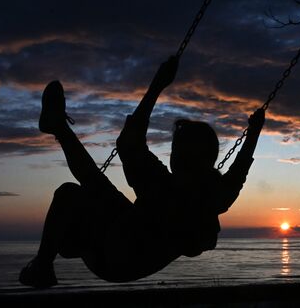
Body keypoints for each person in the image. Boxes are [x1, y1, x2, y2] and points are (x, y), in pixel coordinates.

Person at [19, 57, 265, 288]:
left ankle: (42, 264)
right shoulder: (214, 195)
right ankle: (59, 127)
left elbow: (129, 143)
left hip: (111, 257)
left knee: (72, 193)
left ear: (179, 157)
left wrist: (157, 87)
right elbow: (239, 170)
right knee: (95, 187)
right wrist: (253, 133)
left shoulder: (164, 187)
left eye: (176, 150)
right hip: (126, 246)